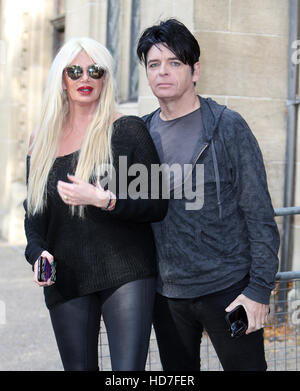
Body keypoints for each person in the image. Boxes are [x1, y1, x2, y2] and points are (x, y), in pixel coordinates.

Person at [137, 18, 280, 371]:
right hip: (168, 296)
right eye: (154, 64)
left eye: (174, 63)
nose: (163, 72)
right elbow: (128, 211)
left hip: (229, 290)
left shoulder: (227, 126)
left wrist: (259, 290)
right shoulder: (139, 133)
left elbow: (259, 213)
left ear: (195, 69)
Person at [23, 37, 168, 371]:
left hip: (126, 271)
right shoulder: (40, 139)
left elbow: (158, 203)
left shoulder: (128, 130)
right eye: (75, 71)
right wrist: (37, 253)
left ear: (106, 78)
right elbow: (33, 215)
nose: (84, 78)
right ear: (62, 78)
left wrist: (105, 200)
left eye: (95, 70)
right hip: (67, 276)